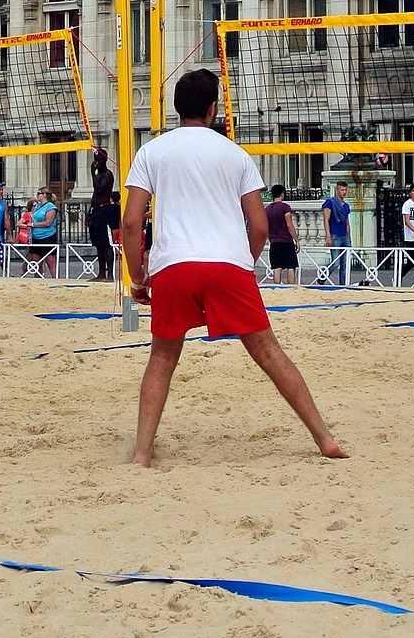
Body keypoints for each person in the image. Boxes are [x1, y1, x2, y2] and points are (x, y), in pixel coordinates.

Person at [122, 70, 346, 466]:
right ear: (213, 108)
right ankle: (325, 438)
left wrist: (138, 277)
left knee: (162, 358)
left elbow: (130, 223)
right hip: (228, 264)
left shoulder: (151, 151)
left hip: (174, 265)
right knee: (270, 354)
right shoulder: (235, 154)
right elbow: (259, 225)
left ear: (176, 108)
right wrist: (243, 259)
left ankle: (141, 454)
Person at [87, 148, 120, 282]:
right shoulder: (99, 174)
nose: (96, 163)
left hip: (104, 210)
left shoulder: (107, 174)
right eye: (95, 160)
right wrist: (89, 212)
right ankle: (101, 273)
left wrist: (92, 173)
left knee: (106, 244)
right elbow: (94, 196)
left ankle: (110, 275)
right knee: (98, 244)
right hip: (96, 210)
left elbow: (99, 189)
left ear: (105, 160)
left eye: (99, 160)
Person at [265, 184, 300, 284]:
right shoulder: (285, 207)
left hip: (274, 242)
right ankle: (291, 288)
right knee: (291, 266)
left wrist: (270, 238)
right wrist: (296, 240)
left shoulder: (267, 209)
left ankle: (277, 288)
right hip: (286, 241)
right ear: (282, 194)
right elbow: (289, 224)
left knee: (277, 267)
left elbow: (266, 227)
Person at [322, 181, 353, 284]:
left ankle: (343, 284)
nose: (344, 192)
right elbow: (326, 219)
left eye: (345, 190)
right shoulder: (330, 202)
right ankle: (322, 277)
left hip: (344, 236)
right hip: (335, 235)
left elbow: (347, 223)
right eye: (342, 190)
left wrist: (349, 237)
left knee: (345, 264)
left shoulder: (346, 206)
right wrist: (328, 236)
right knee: (336, 263)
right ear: (337, 191)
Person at [29, 187, 60, 277]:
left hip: (47, 236)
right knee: (36, 263)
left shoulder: (51, 207)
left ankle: (56, 280)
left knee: (50, 262)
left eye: (39, 193)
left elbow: (48, 222)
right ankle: (38, 280)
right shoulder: (38, 206)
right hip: (36, 236)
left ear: (45, 195)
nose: (37, 195)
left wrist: (33, 225)